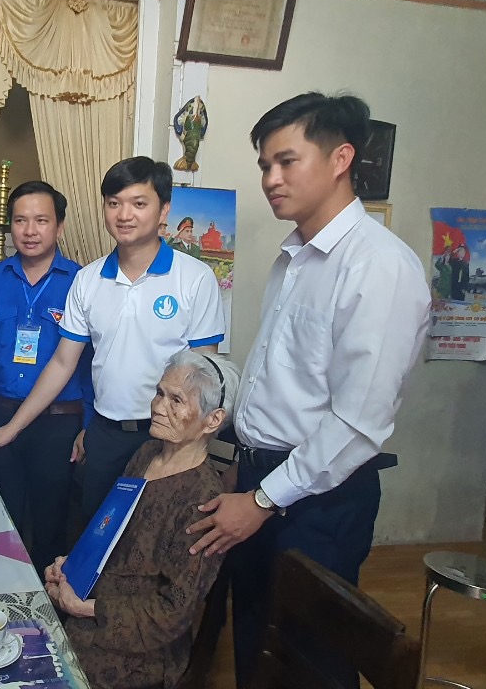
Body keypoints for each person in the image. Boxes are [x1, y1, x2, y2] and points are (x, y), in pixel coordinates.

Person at [184, 92, 431, 687]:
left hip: (318, 499)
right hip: (264, 479)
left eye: (287, 161)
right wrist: (242, 470)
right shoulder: (293, 258)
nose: (271, 179)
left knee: (307, 659)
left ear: (341, 158)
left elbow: (356, 423)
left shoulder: (378, 266)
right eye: (265, 165)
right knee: (258, 644)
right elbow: (280, 381)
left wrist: (264, 499)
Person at [0, 157, 226, 527]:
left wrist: (190, 445)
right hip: (106, 435)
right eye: (114, 203)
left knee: (154, 538)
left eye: (138, 203)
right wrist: (11, 428)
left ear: (164, 210)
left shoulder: (194, 277)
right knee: (96, 537)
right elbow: (63, 363)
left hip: (169, 438)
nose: (124, 214)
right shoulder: (89, 280)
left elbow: (205, 373)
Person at [44, 350, 235, 689]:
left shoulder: (202, 499)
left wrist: (84, 608)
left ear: (212, 420)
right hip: (96, 602)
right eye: (159, 393)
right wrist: (70, 567)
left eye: (176, 400)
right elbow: (108, 535)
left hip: (140, 648)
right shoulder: (146, 453)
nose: (158, 407)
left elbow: (173, 612)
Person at [0, 180, 92, 577]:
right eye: (20, 220)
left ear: (59, 226)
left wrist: (88, 425)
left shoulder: (82, 282)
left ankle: (46, 606)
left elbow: (94, 362)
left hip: (58, 422)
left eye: (41, 220)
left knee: (50, 521)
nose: (29, 230)